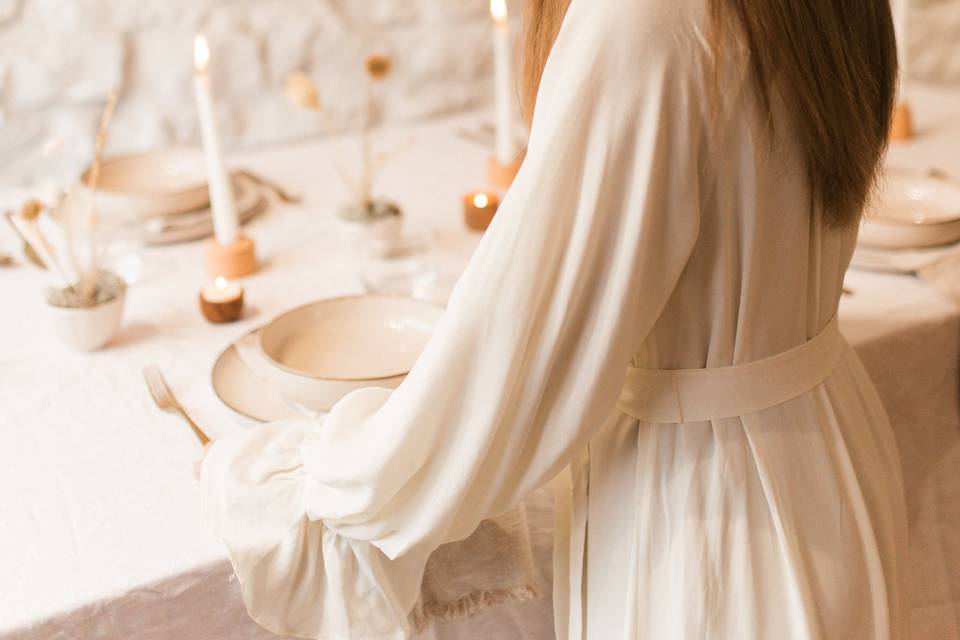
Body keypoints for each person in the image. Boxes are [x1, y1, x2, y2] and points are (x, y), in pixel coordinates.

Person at [199, 0, 908, 638]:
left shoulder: (645, 22)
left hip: (709, 517)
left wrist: (315, 482)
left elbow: (515, 358)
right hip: (831, 460)